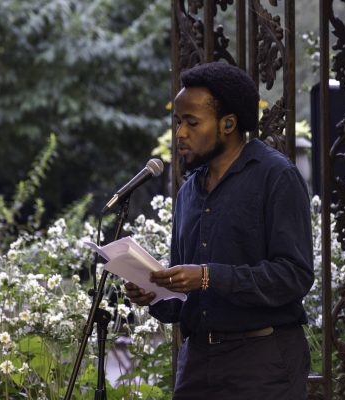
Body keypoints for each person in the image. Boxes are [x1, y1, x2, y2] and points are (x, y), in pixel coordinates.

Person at [125, 62, 314, 399]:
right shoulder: (188, 191)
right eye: (178, 122)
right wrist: (154, 293)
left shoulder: (276, 177)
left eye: (191, 123)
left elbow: (294, 276)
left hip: (262, 361)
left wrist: (208, 276)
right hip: (197, 362)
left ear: (228, 124)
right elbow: (184, 298)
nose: (180, 133)